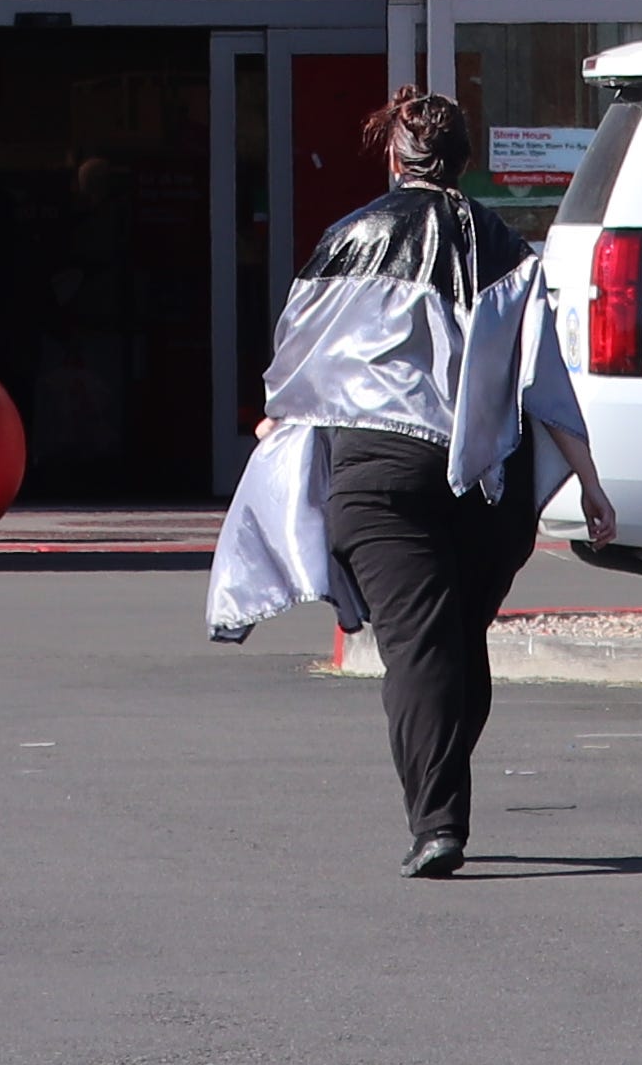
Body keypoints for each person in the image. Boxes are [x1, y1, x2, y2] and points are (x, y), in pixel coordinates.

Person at [205, 90, 611, 878]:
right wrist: (591, 483)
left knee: (420, 647)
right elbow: (545, 379)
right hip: (490, 476)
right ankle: (442, 793)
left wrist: (276, 417)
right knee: (455, 642)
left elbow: (300, 352)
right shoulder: (509, 252)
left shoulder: (351, 239)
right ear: (464, 161)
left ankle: (437, 823)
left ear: (394, 159)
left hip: (381, 468)